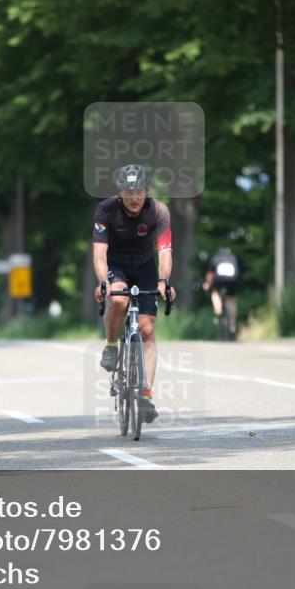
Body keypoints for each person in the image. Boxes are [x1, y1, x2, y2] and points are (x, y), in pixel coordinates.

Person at [93, 164, 176, 424]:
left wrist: (164, 280)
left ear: (147, 190)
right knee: (118, 299)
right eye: (128, 192)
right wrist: (103, 282)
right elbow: (99, 253)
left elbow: (164, 251)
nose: (134, 198)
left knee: (148, 329)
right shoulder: (105, 210)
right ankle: (110, 345)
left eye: (139, 191)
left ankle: (147, 396)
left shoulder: (159, 211)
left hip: (144, 266)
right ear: (119, 192)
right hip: (115, 265)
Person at [202, 246, 240, 338]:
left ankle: (218, 310)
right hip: (233, 279)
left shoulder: (216, 258)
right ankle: (232, 323)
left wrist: (207, 284)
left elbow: (210, 274)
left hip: (219, 279)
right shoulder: (233, 258)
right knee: (231, 298)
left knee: (215, 292)